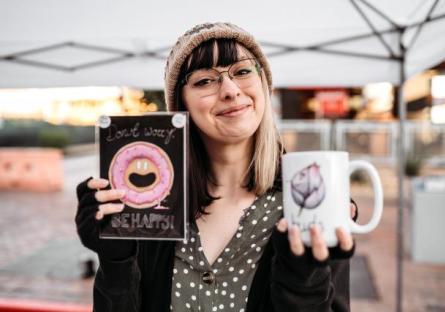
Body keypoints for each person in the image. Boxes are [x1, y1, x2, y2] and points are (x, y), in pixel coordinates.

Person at [75, 22, 358, 312]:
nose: (231, 90)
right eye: (204, 81)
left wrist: (304, 284)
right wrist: (115, 259)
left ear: (264, 86)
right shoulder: (150, 209)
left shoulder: (313, 206)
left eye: (243, 71)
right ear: (181, 105)